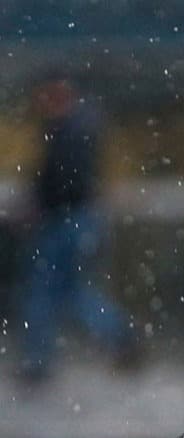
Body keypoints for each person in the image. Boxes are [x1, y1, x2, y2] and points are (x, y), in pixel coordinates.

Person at [14, 71, 139, 385]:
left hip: (65, 219)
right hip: (75, 218)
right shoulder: (81, 125)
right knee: (69, 291)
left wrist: (40, 202)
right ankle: (118, 336)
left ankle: (39, 361)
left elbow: (61, 178)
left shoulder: (70, 128)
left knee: (49, 291)